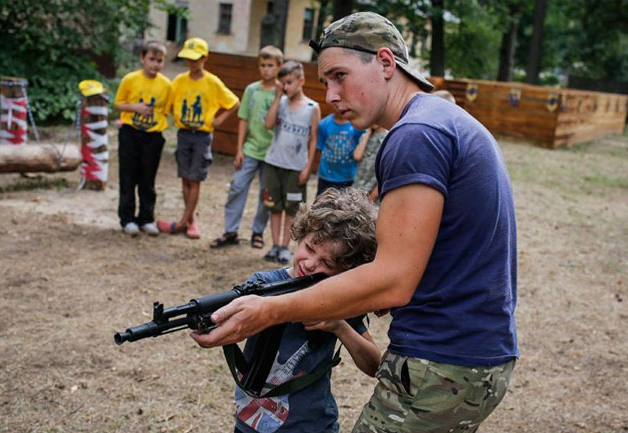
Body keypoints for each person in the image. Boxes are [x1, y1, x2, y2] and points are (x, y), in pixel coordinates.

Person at [193, 12, 518, 433]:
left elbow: (393, 281)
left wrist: (270, 309)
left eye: (340, 76)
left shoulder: (416, 134)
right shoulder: (442, 122)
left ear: (385, 62)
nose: (330, 94)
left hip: (441, 361)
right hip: (474, 357)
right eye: (325, 81)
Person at [193, 188, 382, 433]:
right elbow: (224, 322)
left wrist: (339, 327)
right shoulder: (263, 284)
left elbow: (374, 365)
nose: (311, 264)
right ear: (301, 234)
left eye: (327, 263)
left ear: (347, 270)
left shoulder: (339, 298)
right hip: (252, 422)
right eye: (309, 249)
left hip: (313, 426)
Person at [158, 37, 239, 239]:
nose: (191, 63)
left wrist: (219, 120)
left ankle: (183, 222)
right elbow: (168, 106)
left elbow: (234, 103)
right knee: (185, 177)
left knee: (195, 179)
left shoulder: (212, 82)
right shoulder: (179, 81)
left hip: (202, 136)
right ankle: (190, 221)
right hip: (183, 134)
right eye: (188, 59)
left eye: (195, 59)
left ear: (205, 58)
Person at [211, 46, 284, 250]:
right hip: (251, 148)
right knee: (237, 186)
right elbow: (243, 119)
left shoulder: (282, 92)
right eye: (262, 65)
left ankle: (258, 231)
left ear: (279, 66)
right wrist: (239, 149)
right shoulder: (251, 90)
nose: (266, 69)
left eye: (270, 65)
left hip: (272, 153)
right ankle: (230, 231)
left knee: (266, 194)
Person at [261, 60, 321, 264]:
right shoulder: (280, 103)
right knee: (273, 205)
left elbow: (313, 139)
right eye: (283, 83)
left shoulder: (312, 108)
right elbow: (268, 124)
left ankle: (285, 247)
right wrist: (277, 97)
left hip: (296, 168)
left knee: (292, 209)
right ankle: (275, 245)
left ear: (301, 81)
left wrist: (308, 167)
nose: (285, 87)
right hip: (274, 163)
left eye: (289, 82)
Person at [113, 40, 172, 237]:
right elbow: (118, 104)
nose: (155, 64)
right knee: (128, 177)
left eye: (159, 61)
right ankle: (127, 218)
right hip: (130, 133)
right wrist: (135, 108)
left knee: (148, 179)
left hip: (153, 136)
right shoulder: (130, 79)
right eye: (151, 59)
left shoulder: (166, 85)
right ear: (142, 58)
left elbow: (167, 110)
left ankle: (146, 218)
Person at [314, 111, 364, 195]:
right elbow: (319, 149)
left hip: (347, 177)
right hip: (326, 176)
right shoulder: (324, 124)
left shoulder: (356, 126)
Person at [351, 124, 387, 203]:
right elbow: (357, 156)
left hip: (372, 192)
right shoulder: (365, 136)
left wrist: (372, 197)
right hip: (358, 187)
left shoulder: (387, 139)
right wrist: (368, 133)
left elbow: (386, 174)